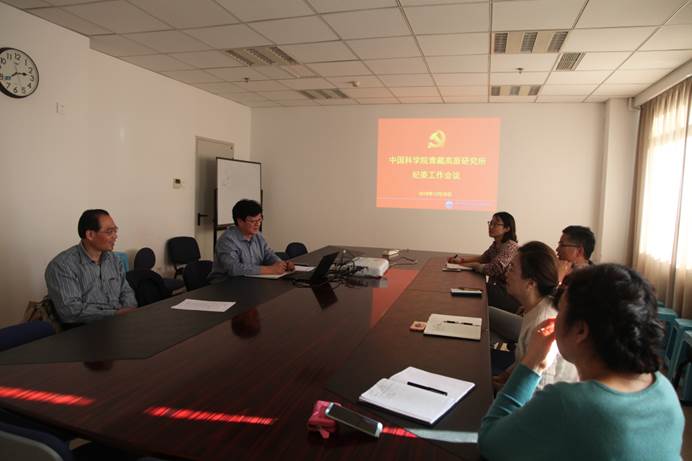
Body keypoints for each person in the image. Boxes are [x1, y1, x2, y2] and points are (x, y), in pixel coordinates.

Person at [479, 264, 684, 461]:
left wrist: (532, 364)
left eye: (560, 310)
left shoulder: (568, 402)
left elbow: (490, 441)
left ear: (580, 330)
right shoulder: (664, 389)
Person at [490, 241, 578, 391]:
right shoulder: (536, 307)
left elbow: (540, 389)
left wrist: (503, 390)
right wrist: (506, 374)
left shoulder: (542, 321)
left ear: (530, 283)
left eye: (512, 269)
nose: (506, 274)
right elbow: (526, 358)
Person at [45, 209, 137, 325]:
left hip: (120, 322)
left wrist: (129, 311)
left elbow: (126, 291)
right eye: (109, 232)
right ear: (90, 235)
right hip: (86, 329)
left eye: (115, 231)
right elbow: (71, 311)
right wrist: (115, 314)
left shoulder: (114, 259)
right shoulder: (62, 266)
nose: (115, 236)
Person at [449, 212, 520, 312]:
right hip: (497, 289)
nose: (491, 226)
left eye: (495, 224)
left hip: (508, 293)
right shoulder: (496, 245)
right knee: (471, 287)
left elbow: (493, 269)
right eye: (490, 223)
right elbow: (483, 258)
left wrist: (472, 266)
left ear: (507, 228)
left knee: (473, 289)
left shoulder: (511, 246)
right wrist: (461, 260)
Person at [208, 199, 293, 282]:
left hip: (250, 281)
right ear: (240, 221)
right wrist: (270, 269)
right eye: (252, 221)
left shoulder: (258, 235)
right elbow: (234, 269)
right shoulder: (227, 240)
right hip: (225, 284)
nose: (257, 224)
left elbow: (268, 255)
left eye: (259, 220)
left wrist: (282, 264)